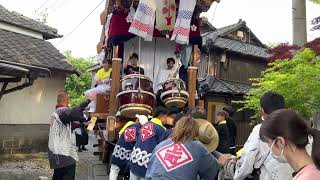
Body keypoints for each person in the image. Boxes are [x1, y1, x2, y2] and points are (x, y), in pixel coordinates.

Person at [222, 91, 293, 180]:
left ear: (262, 110)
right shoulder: (296, 130)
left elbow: (246, 164)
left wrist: (232, 167)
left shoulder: (260, 130)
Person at [145, 116, 219, 180]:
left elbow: (149, 173)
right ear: (196, 132)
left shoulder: (160, 145)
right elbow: (212, 174)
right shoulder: (197, 147)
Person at [259, 109, 320, 180]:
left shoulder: (307, 177)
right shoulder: (313, 171)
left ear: (280, 142)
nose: (269, 148)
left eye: (268, 143)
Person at [48, 99, 91, 180]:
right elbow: (74, 112)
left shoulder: (56, 115)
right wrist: (89, 100)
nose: (69, 107)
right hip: (65, 150)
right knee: (68, 173)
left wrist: (84, 124)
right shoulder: (60, 111)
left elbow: (73, 125)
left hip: (57, 150)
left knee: (58, 174)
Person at [129, 106, 169, 180]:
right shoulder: (161, 129)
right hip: (146, 164)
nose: (167, 120)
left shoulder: (145, 125)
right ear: (162, 116)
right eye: (166, 117)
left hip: (134, 159)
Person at [109, 116, 143, 180]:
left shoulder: (129, 126)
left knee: (114, 171)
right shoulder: (141, 130)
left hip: (119, 150)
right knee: (127, 173)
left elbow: (120, 134)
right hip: (129, 152)